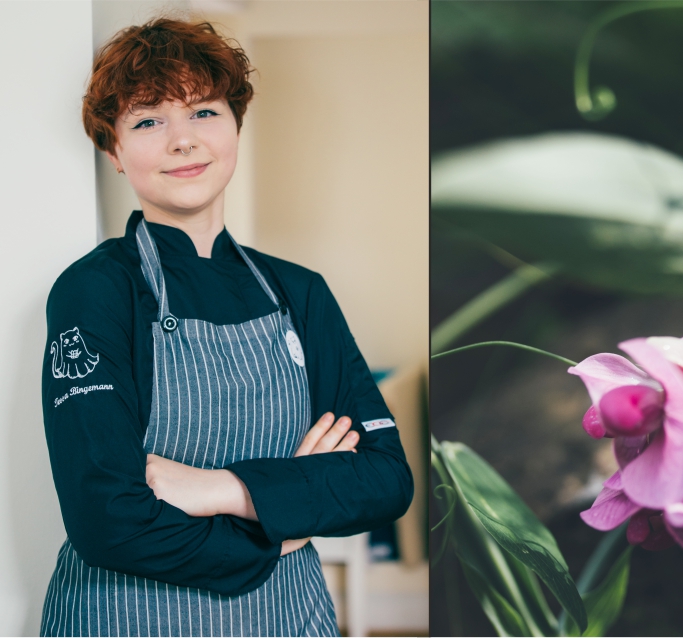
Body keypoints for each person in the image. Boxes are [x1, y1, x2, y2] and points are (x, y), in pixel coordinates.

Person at [38, 18, 412, 636]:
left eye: (204, 112)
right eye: (148, 121)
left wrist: (221, 489)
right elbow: (109, 521)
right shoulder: (95, 290)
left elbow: (386, 479)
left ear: (236, 124)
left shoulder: (300, 292)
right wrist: (283, 524)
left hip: (288, 617)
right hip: (127, 618)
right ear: (113, 149)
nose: (183, 141)